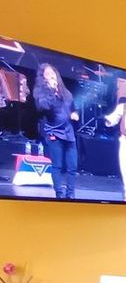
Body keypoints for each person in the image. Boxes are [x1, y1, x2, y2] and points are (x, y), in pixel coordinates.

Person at [32, 63, 78, 199]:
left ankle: (70, 194)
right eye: (48, 74)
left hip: (69, 133)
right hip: (54, 133)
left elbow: (73, 108)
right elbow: (44, 108)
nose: (52, 76)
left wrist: (75, 114)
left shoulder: (66, 92)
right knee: (57, 165)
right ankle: (59, 193)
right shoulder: (40, 93)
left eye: (53, 73)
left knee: (72, 166)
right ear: (43, 78)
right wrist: (52, 91)